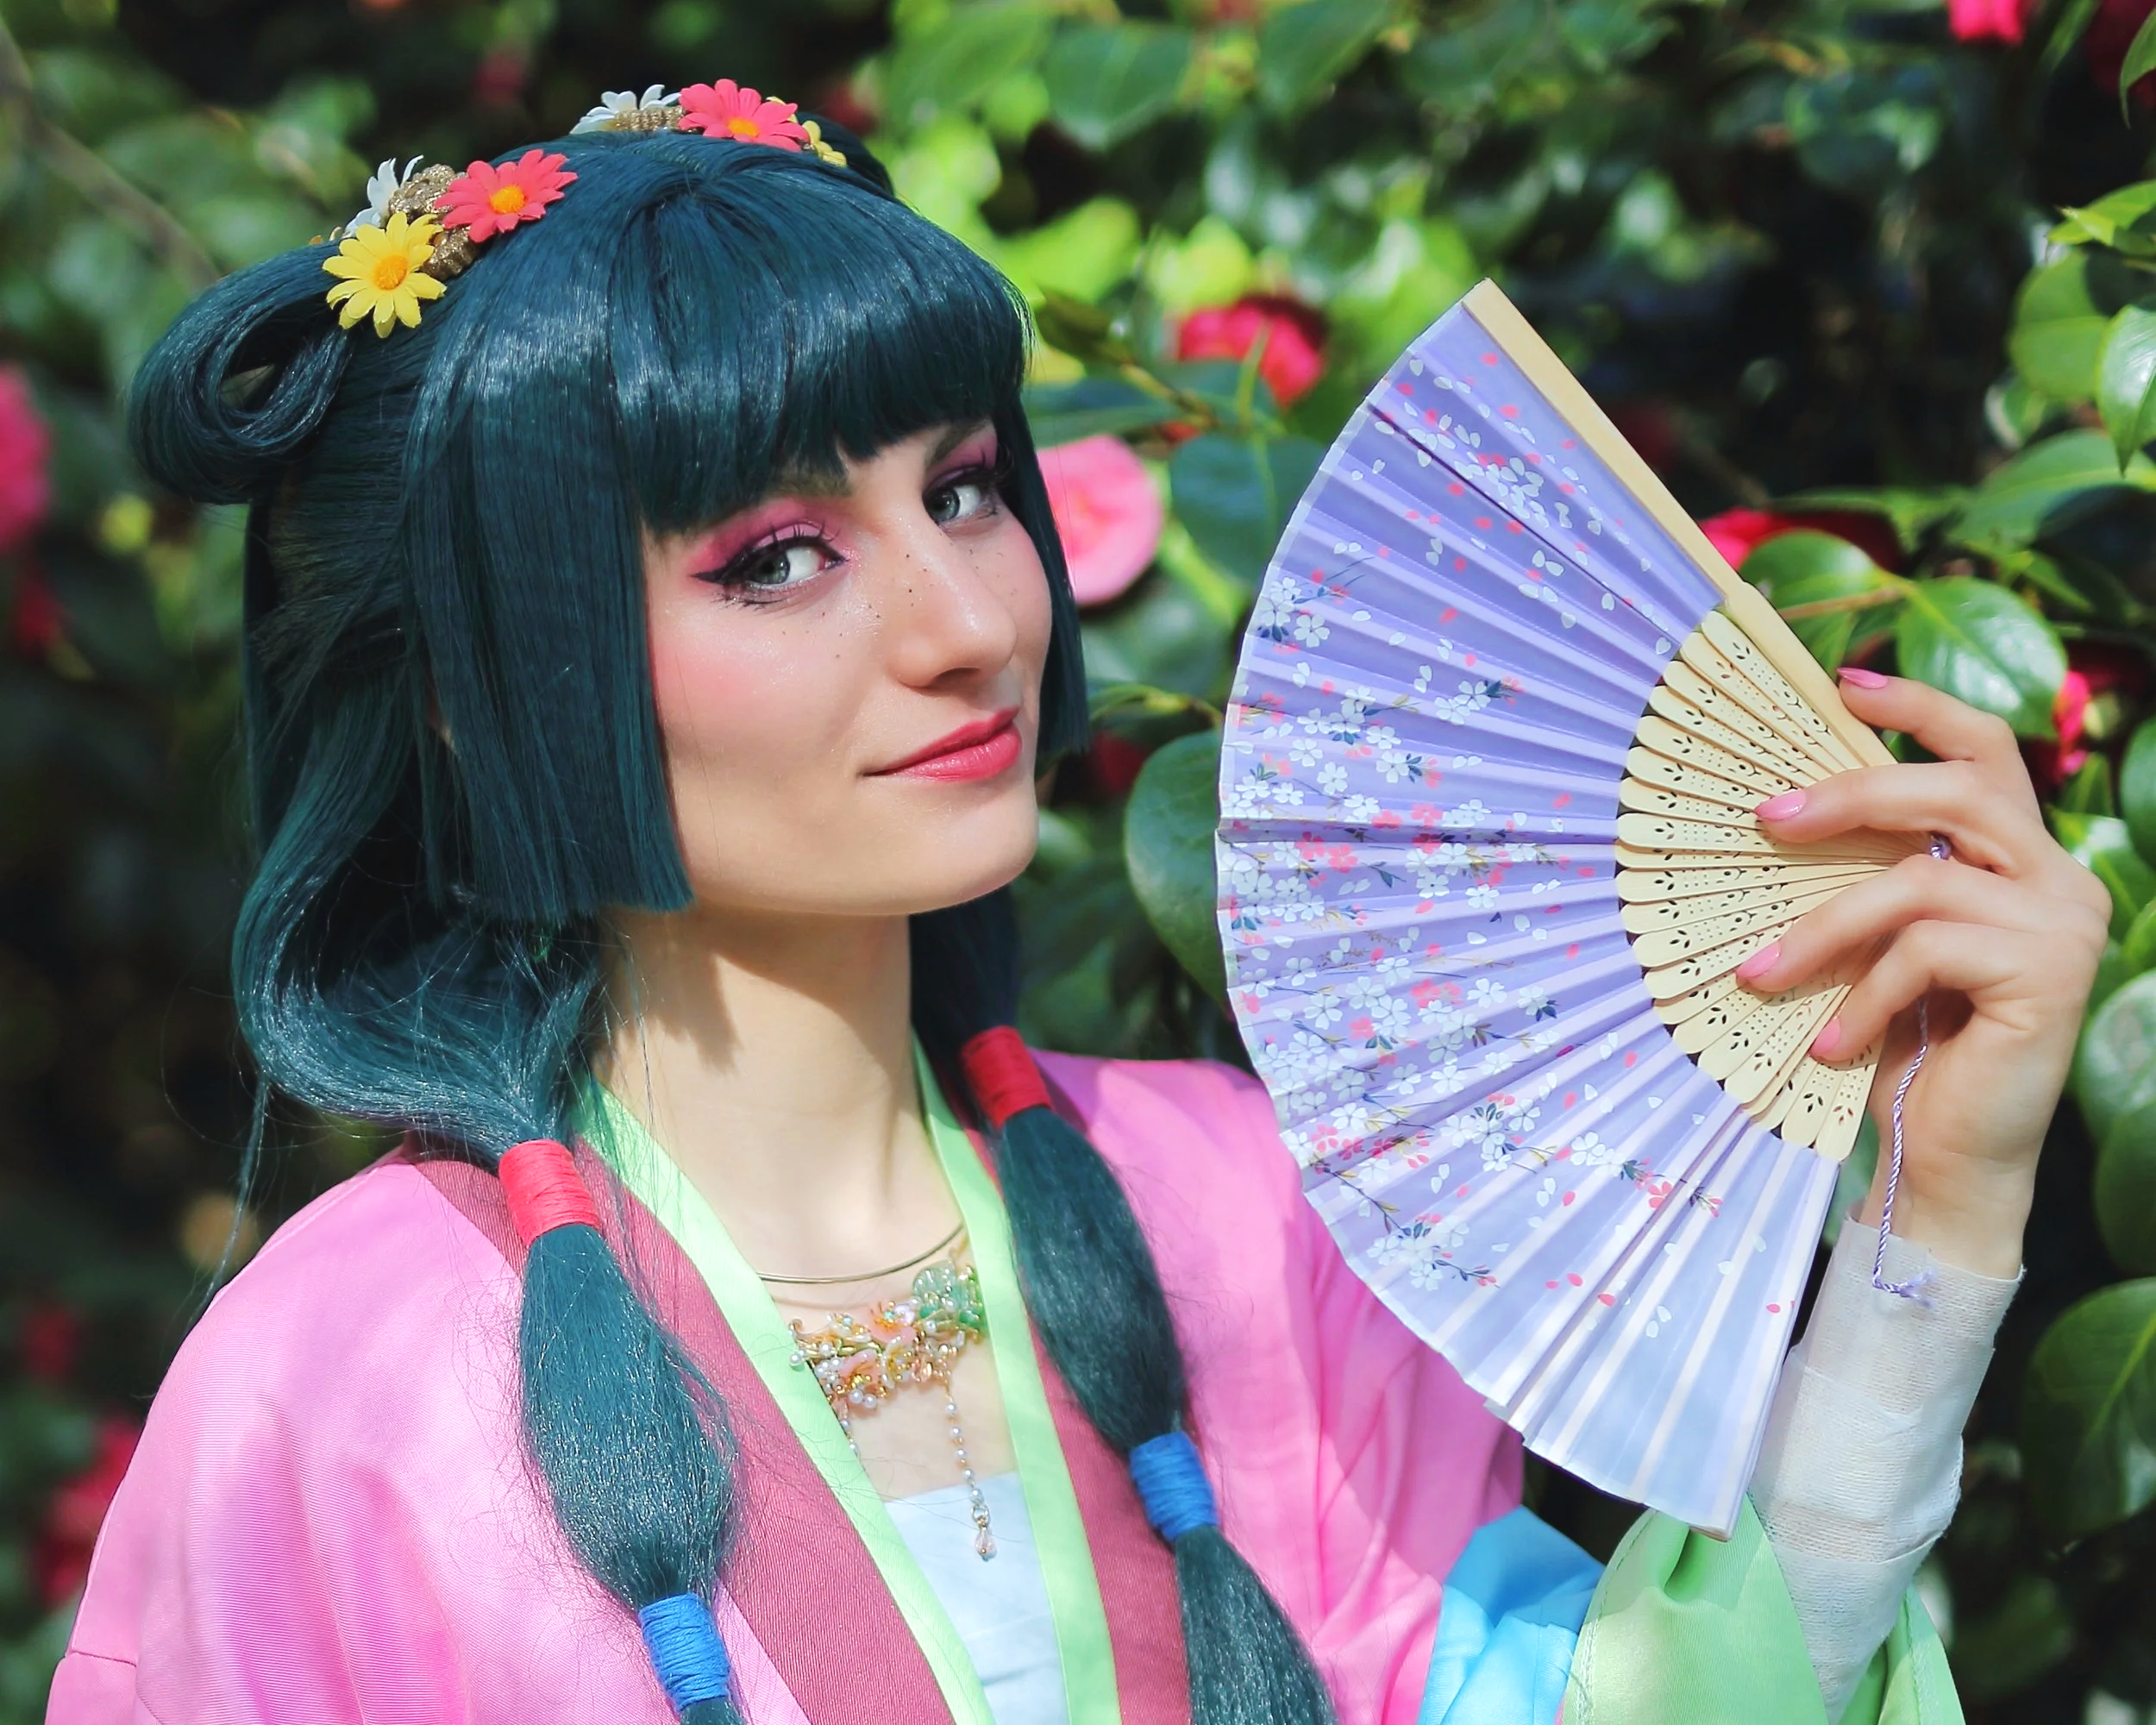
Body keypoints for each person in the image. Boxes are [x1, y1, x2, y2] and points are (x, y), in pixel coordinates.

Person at [45, 82, 2107, 1725]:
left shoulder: (1241, 1215)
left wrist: (1937, 1217)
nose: (967, 619)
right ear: (474, 697)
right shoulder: (343, 1380)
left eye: (958, 484)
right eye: (772, 552)